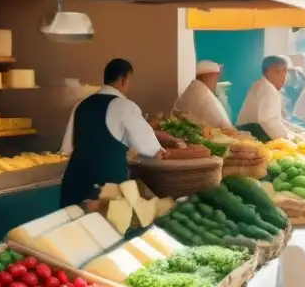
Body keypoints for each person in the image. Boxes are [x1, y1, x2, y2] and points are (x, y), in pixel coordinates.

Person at [60, 58, 166, 207]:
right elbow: (149, 148)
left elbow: (67, 147)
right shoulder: (124, 106)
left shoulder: (81, 104)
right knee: (105, 227)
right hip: (104, 188)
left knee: (75, 227)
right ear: (124, 79)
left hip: (73, 184)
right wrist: (161, 150)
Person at [236, 56, 291, 142]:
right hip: (254, 134)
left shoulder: (261, 84)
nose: (283, 76)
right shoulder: (267, 90)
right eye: (277, 72)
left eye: (285, 71)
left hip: (248, 133)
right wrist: (286, 140)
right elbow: (268, 120)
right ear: (266, 73)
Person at [173, 60, 234, 130]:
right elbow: (226, 126)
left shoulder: (191, 90)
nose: (216, 81)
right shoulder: (204, 95)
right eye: (216, 76)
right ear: (207, 76)